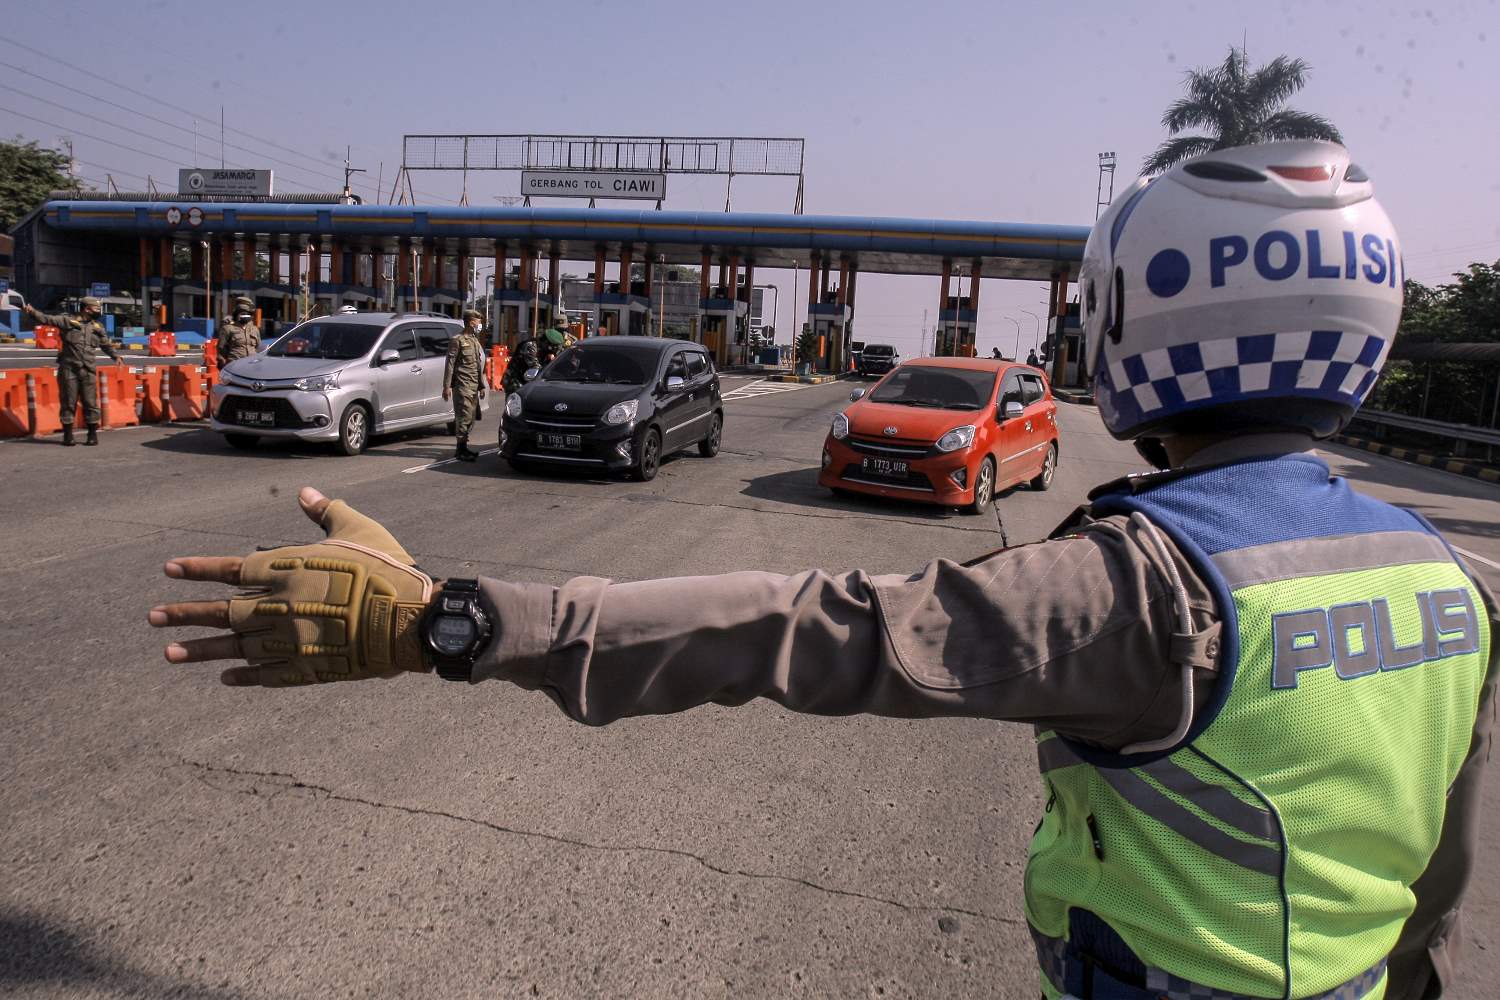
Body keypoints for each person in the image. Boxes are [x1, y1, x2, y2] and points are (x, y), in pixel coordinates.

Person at [150, 141, 1494, 1000]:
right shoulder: (1449, 584)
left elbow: (813, 628)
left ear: (1144, 318)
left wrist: (454, 618)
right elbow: (1432, 872)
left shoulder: (1149, 590)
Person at [25, 295, 124, 446]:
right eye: (97, 308)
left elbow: (105, 345)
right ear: (87, 308)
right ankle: (68, 435)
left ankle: (92, 435)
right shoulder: (67, 321)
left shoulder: (97, 327)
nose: (99, 311)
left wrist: (115, 356)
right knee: (68, 402)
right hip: (69, 369)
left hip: (88, 370)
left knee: (90, 403)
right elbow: (46, 319)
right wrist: (32, 312)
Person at [442, 310, 490, 462]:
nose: (480, 325)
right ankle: (460, 449)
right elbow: (450, 364)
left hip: (474, 386)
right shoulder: (457, 340)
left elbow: (478, 366)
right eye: (478, 321)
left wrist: (482, 386)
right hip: (462, 385)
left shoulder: (475, 340)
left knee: (471, 418)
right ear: (471, 322)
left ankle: (463, 446)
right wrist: (447, 386)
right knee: (463, 417)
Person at [216, 296, 261, 365]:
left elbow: (258, 347)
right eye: (242, 313)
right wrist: (224, 361)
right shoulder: (228, 328)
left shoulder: (254, 329)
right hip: (235, 363)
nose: (245, 316)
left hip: (252, 363)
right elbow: (221, 348)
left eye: (247, 313)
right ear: (236, 314)